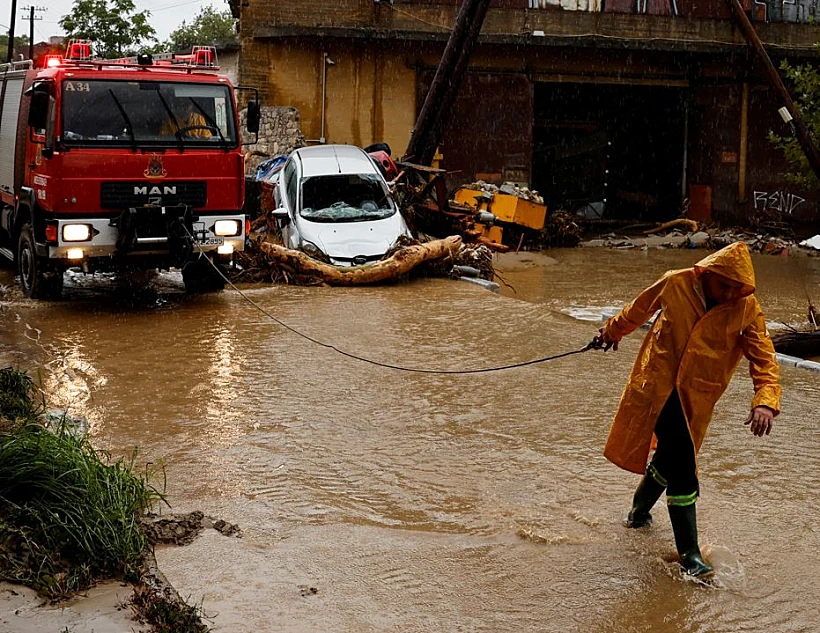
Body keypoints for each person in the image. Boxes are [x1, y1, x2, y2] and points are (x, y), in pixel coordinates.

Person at [596, 241, 781, 578]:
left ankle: (637, 512)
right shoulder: (675, 283)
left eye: (735, 288)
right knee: (682, 462)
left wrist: (765, 401)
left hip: (697, 398)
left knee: (669, 456)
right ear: (706, 273)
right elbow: (637, 310)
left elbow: (765, 360)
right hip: (658, 386)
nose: (728, 293)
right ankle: (691, 557)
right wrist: (611, 332)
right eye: (724, 284)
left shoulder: (746, 309)